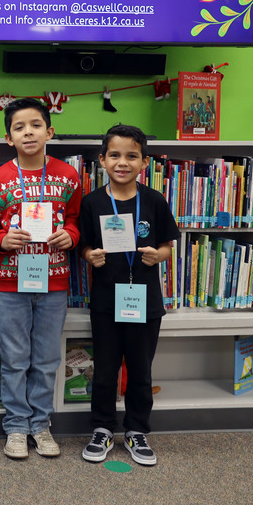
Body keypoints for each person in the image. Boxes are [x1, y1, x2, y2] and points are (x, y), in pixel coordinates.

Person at [0, 98, 81, 459]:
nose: (28, 132)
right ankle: (17, 426)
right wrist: (1, 239)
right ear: (8, 138)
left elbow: (76, 220)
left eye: (35, 125)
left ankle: (41, 424)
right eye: (19, 127)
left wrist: (71, 235)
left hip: (54, 282)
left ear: (49, 131)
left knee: (47, 358)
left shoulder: (68, 175)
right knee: (16, 358)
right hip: (12, 282)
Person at [78, 124, 179, 466]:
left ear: (144, 162)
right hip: (106, 302)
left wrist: (158, 256)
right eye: (115, 155)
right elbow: (85, 245)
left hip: (145, 301)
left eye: (132, 156)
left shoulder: (154, 200)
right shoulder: (92, 202)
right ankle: (103, 428)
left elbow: (167, 246)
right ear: (102, 160)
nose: (123, 162)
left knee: (140, 370)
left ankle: (137, 430)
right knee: (105, 370)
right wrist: (89, 255)